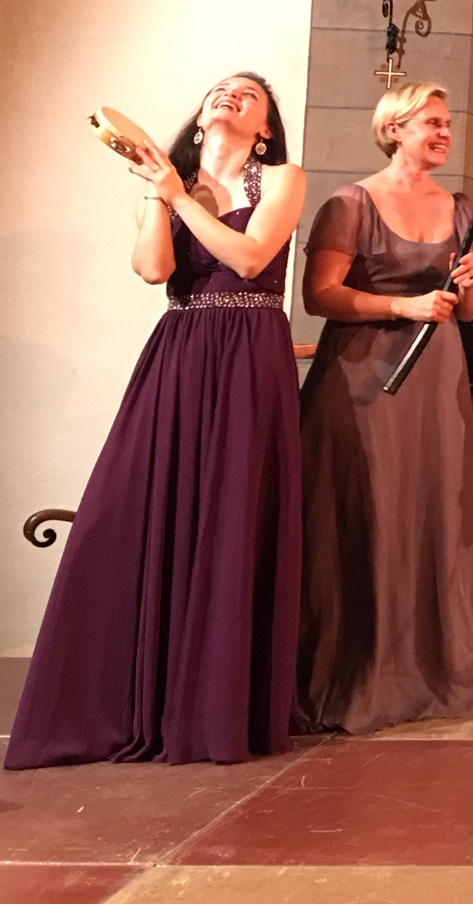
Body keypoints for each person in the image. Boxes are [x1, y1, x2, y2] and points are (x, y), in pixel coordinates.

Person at [8, 74, 305, 768]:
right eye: (219, 90)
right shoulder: (170, 187)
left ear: (263, 127)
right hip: (178, 355)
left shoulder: (282, 178)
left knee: (231, 517)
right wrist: (160, 194)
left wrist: (178, 198)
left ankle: (218, 706)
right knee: (137, 513)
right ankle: (134, 701)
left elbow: (251, 256)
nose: (229, 95)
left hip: (251, 357)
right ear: (201, 118)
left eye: (248, 94)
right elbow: (151, 269)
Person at [296, 83, 473, 733]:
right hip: (363, 380)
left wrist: (468, 287)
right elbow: (320, 296)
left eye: (447, 122)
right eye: (432, 122)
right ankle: (360, 672)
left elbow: (471, 312)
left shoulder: (462, 207)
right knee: (369, 518)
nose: (445, 132)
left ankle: (429, 668)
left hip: (436, 383)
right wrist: (403, 306)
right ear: (396, 126)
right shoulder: (351, 203)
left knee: (430, 514)